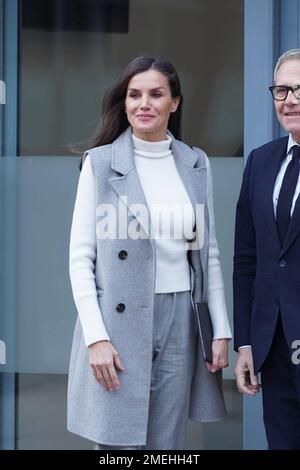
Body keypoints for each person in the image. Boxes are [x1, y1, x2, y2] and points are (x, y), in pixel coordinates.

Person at [67, 56, 231, 450]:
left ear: (174, 102)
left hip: (181, 317)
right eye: (134, 94)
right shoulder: (101, 164)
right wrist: (96, 338)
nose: (144, 103)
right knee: (117, 442)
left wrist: (221, 328)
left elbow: (208, 255)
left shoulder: (195, 163)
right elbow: (80, 257)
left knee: (167, 443)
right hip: (118, 321)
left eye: (156, 94)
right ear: (124, 103)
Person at [233, 48, 300, 450]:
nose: (290, 99)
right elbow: (248, 262)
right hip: (274, 351)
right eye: (282, 89)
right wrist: (246, 343)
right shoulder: (261, 161)